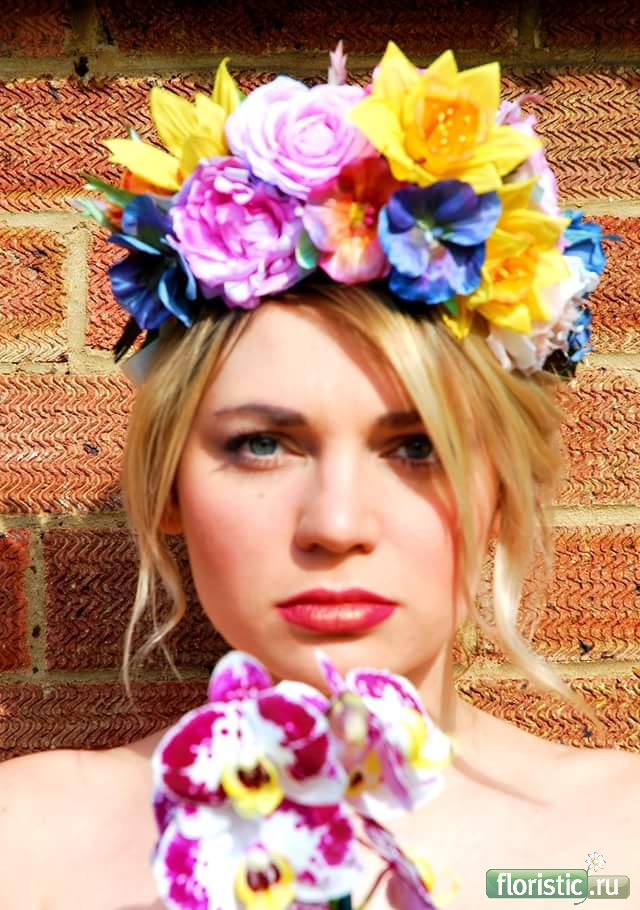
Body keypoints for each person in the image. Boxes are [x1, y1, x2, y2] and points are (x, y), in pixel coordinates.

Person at [0, 42, 636, 910]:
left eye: (418, 447)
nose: (335, 526)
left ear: (502, 488)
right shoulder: (27, 846)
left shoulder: (616, 846)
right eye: (262, 444)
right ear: (171, 484)